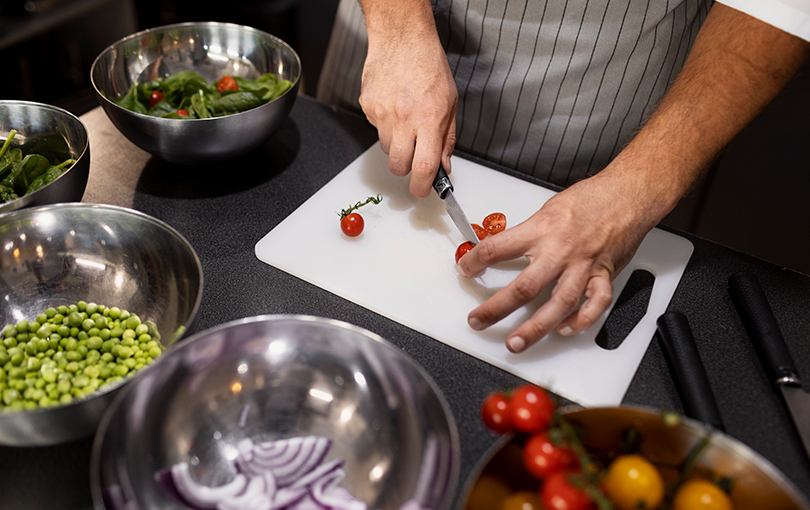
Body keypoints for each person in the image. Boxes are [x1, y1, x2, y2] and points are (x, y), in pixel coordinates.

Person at [316, 0, 810, 354]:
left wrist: (635, 192)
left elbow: (779, 8)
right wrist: (398, 24)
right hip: (375, 57)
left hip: (584, 100)